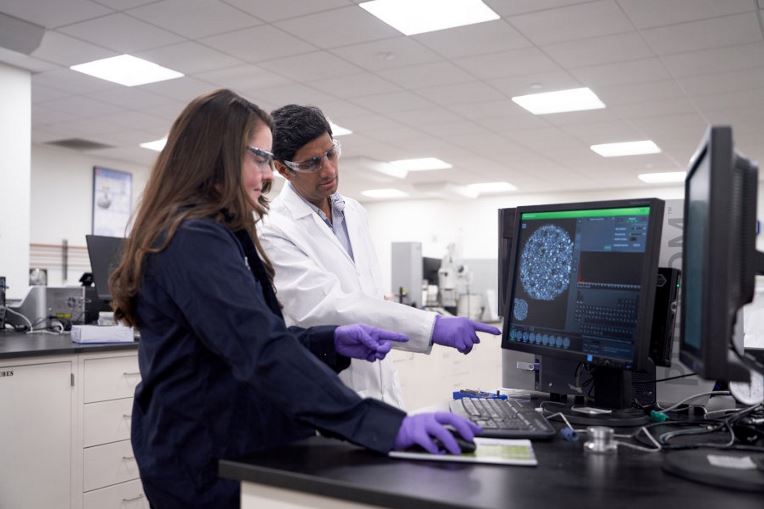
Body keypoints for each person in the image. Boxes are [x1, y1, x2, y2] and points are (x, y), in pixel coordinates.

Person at [108, 89, 480, 509]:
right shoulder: (193, 239)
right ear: (218, 155)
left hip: (233, 439)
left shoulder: (223, 233)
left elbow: (253, 336)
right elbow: (258, 349)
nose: (268, 176)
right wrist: (380, 424)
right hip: (203, 453)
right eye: (261, 159)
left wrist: (330, 341)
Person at [260, 104, 501, 407]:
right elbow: (329, 307)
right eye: (312, 163)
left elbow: (367, 296)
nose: (329, 170)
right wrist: (431, 325)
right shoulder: (272, 229)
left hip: (384, 386)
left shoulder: (355, 212)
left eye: (331, 154)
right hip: (329, 391)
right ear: (283, 169)